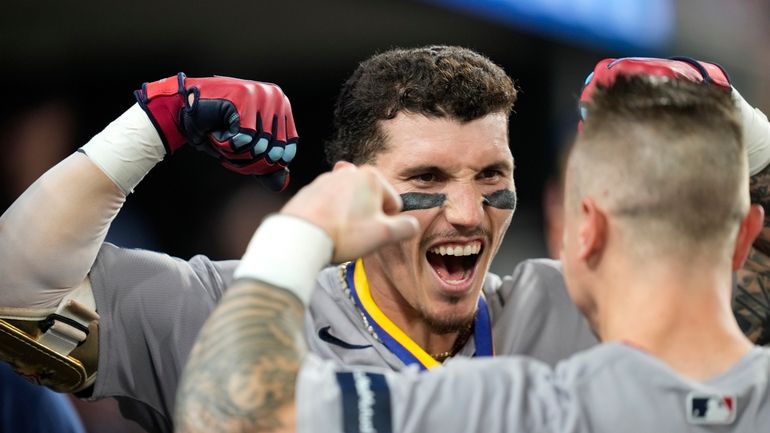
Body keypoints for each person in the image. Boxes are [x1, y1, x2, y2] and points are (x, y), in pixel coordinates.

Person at [1, 48, 769, 433]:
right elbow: (15, 296)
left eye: (491, 174)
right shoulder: (243, 308)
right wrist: (149, 127)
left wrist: (735, 125)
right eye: (429, 175)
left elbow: (731, 265)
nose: (469, 212)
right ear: (352, 187)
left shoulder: (571, 301)